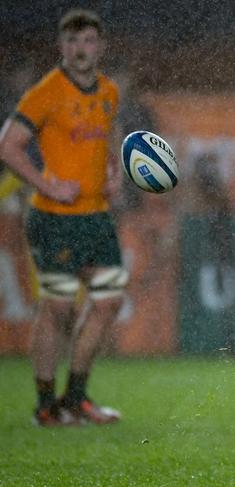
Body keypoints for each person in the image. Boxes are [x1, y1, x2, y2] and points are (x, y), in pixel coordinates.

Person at [0, 9, 127, 426]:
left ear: (100, 46)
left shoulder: (109, 92)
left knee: (108, 302)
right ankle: (44, 406)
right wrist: (47, 185)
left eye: (88, 41)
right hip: (54, 218)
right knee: (56, 309)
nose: (80, 49)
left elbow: (104, 142)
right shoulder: (47, 92)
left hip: (96, 217)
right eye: (73, 42)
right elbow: (9, 146)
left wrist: (113, 174)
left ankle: (76, 398)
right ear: (62, 47)